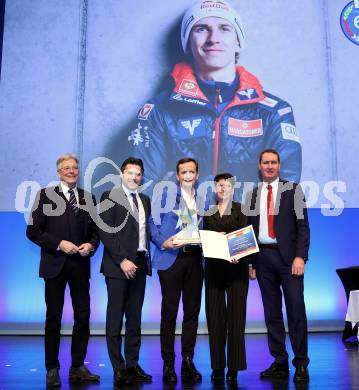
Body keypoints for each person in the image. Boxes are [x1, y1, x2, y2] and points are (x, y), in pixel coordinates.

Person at [129, 0, 301, 199]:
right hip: (180, 229)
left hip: (249, 228)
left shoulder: (275, 112)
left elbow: (282, 191)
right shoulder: (158, 110)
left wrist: (193, 187)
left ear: (238, 42)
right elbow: (140, 190)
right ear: (188, 43)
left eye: (224, 28)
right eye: (201, 29)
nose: (213, 38)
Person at [26, 153, 100, 387]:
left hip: (80, 265)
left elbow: (96, 231)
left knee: (83, 316)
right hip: (54, 265)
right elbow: (33, 231)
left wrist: (91, 244)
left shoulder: (88, 197)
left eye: (74, 168)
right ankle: (52, 368)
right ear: (58, 172)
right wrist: (59, 244)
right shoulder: (45, 196)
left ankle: (77, 366)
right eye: (66, 168)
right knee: (54, 318)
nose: (71, 171)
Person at [246, 149, 310, 383]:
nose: (270, 166)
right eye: (266, 162)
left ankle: (301, 363)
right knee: (271, 314)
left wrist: (300, 257)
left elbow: (303, 227)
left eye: (274, 162)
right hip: (263, 259)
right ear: (260, 165)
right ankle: (279, 361)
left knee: (296, 312)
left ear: (280, 165)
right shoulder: (251, 195)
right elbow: (249, 232)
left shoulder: (293, 190)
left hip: (289, 260)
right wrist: (251, 262)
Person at [98, 157, 152, 386]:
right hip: (118, 266)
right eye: (130, 173)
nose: (134, 177)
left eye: (138, 174)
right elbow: (105, 231)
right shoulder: (109, 197)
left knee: (135, 318)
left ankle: (132, 364)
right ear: (122, 174)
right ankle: (118, 366)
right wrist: (122, 260)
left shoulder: (145, 200)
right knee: (115, 318)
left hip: (139, 265)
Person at [150, 157, 204, 383]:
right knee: (169, 314)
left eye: (192, 172)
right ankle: (168, 363)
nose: (188, 175)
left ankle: (188, 360)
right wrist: (164, 242)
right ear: (178, 174)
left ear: (197, 175)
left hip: (195, 260)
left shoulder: (203, 199)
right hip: (170, 259)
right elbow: (152, 223)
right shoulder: (165, 195)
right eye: (184, 172)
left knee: (192, 313)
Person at [203, 173, 249, 384]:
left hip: (237, 270)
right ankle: (218, 365)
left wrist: (237, 254)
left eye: (227, 185)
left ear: (233, 188)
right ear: (215, 188)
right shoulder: (208, 212)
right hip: (213, 270)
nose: (223, 189)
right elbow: (205, 240)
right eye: (219, 185)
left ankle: (234, 367)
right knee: (215, 320)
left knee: (236, 319)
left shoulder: (241, 210)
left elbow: (248, 238)